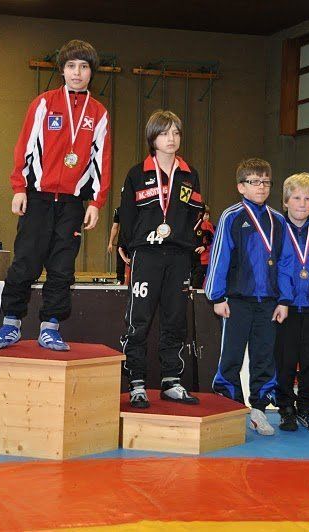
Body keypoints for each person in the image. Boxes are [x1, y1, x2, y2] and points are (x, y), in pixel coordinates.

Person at [0, 39, 111, 351]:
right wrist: (19, 188)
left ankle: (51, 327)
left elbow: (102, 160)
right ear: (62, 70)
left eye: (83, 67)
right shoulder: (43, 103)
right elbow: (25, 146)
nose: (77, 72)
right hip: (38, 197)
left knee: (62, 268)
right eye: (71, 66)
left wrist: (96, 202)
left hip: (72, 203)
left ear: (92, 72)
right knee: (25, 262)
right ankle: (10, 324)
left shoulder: (98, 113)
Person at [118, 110, 204, 408]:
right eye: (165, 133)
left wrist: (186, 242)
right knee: (138, 321)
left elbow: (196, 213)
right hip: (147, 255)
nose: (171, 139)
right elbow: (127, 215)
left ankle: (171, 381)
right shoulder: (136, 173)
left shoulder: (190, 174)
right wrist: (131, 245)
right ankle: (137, 383)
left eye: (176, 133)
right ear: (152, 137)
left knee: (175, 320)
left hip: (178, 256)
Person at [204, 158, 291, 436]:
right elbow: (219, 256)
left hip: (268, 302)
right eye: (254, 182)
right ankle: (229, 409)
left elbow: (285, 262)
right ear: (241, 187)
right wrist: (217, 296)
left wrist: (284, 300)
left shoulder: (278, 220)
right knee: (231, 356)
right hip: (237, 301)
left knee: (264, 357)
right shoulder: (231, 216)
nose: (261, 187)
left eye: (265, 182)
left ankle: (259, 411)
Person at [273, 173, 309, 433]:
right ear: (285, 201)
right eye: (296, 198)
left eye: (308, 198)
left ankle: (307, 407)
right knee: (285, 359)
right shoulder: (275, 229)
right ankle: (286, 407)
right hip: (284, 305)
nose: (302, 203)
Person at [190, 205, 215, 288]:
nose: (205, 216)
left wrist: (204, 247)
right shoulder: (193, 225)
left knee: (197, 284)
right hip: (193, 259)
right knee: (191, 283)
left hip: (204, 260)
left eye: (207, 214)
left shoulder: (209, 226)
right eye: (203, 214)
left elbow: (214, 241)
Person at [107, 206, 126, 284]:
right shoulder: (118, 210)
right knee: (120, 263)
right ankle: (120, 280)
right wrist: (110, 242)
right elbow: (115, 227)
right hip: (122, 239)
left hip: (134, 239)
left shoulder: (138, 207)